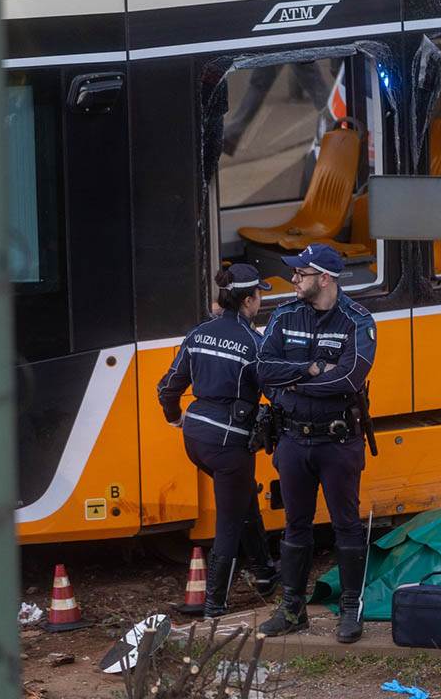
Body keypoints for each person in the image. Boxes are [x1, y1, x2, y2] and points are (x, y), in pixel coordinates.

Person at [256, 244, 376, 644]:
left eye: (300, 274)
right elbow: (262, 368)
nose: (292, 280)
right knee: (295, 525)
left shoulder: (357, 321)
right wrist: (307, 369)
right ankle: (292, 610)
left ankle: (350, 611)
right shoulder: (284, 314)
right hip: (291, 438)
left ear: (324, 278)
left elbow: (348, 379)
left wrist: (291, 381)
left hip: (338, 441)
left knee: (346, 525)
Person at [157, 263, 280, 617]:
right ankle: (215, 602)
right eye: (259, 296)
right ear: (248, 300)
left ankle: (264, 572)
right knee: (228, 520)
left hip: (195, 438)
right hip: (230, 443)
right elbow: (274, 392)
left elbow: (169, 386)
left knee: (243, 500)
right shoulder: (255, 344)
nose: (260, 302)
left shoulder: (199, 334)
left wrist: (175, 417)